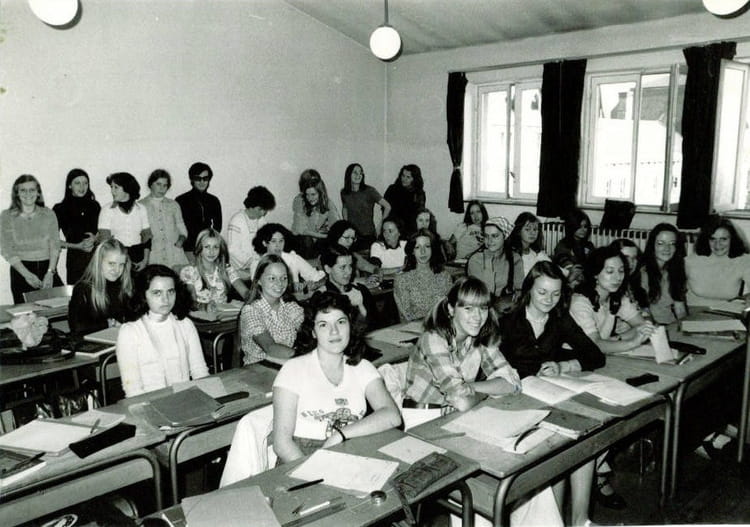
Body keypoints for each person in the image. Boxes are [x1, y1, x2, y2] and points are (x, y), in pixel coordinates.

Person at [500, 261, 603, 526]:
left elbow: (595, 355)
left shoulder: (559, 319)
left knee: (583, 435)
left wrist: (563, 366)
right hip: (514, 401)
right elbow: (490, 368)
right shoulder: (508, 321)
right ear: (528, 290)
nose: (549, 299)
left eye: (556, 294)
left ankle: (581, 520)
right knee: (559, 444)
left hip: (549, 395)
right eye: (542, 292)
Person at [272, 291, 401, 463]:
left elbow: (392, 415)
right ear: (313, 332)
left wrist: (340, 435)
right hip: (300, 458)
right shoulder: (293, 370)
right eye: (323, 325)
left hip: (348, 447)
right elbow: (282, 444)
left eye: (341, 322)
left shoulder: (362, 367)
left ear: (350, 325)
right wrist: (313, 471)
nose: (334, 331)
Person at [403, 276, 521, 411]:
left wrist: (471, 387)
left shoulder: (480, 337)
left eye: (483, 308)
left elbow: (513, 382)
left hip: (454, 413)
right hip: (423, 415)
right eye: (468, 308)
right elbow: (460, 401)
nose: (477, 316)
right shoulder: (433, 339)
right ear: (451, 309)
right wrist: (486, 391)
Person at [116, 264, 209, 398]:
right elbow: (133, 390)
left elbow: (200, 372)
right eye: (157, 293)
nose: (165, 299)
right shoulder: (130, 332)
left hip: (185, 400)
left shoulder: (185, 324)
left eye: (170, 291)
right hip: (148, 403)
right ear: (143, 295)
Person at [1, 175, 63, 303]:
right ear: (17, 193)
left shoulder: (48, 214)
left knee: (58, 308)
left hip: (48, 269)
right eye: (23, 190)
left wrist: (50, 273)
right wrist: (27, 275)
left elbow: (55, 245)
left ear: (38, 193)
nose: (28, 194)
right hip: (21, 271)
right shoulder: (7, 216)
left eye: (32, 190)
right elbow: (7, 249)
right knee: (26, 313)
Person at [239, 254, 304, 365]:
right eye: (272, 278)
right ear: (259, 280)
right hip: (257, 370)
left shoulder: (290, 307)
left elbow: (309, 331)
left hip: (285, 365)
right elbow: (270, 347)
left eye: (284, 278)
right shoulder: (251, 310)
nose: (279, 283)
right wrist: (304, 358)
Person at [69, 238, 133, 336]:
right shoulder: (83, 288)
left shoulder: (123, 286)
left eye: (121, 265)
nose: (116, 270)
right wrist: (109, 324)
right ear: (99, 262)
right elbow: (77, 327)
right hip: (91, 342)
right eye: (111, 264)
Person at [686, 215, 750, 306]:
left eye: (723, 239)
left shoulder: (744, 261)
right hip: (694, 310)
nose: (718, 244)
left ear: (733, 239)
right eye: (713, 239)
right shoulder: (690, 262)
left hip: (727, 312)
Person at [53, 168, 101, 284]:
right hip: (75, 260)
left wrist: (95, 238)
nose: (82, 187)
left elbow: (104, 231)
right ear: (69, 185)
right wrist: (77, 246)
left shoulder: (95, 206)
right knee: (77, 292)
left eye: (85, 183)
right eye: (77, 183)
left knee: (98, 292)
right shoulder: (60, 208)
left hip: (96, 257)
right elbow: (53, 240)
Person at [250, 223, 326, 297]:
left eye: (281, 241)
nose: (278, 245)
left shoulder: (292, 258)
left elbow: (320, 278)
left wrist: (314, 285)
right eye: (273, 241)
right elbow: (261, 293)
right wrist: (292, 288)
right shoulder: (257, 264)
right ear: (264, 243)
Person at [179, 228, 250, 307]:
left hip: (224, 312)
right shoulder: (189, 271)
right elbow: (191, 301)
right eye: (207, 247)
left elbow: (244, 292)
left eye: (215, 247)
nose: (211, 251)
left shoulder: (226, 269)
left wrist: (252, 298)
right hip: (200, 312)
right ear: (199, 248)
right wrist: (205, 307)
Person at [394, 229, 452, 322]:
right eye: (417, 247)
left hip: (443, 325)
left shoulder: (444, 276)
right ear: (412, 251)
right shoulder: (402, 280)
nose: (423, 251)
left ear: (432, 249)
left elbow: (450, 309)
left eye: (427, 246)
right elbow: (407, 317)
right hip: (416, 328)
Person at [98, 172, 151, 272]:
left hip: (138, 259)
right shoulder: (106, 210)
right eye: (111, 187)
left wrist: (145, 261)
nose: (112, 191)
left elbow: (147, 238)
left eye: (116, 187)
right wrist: (124, 261)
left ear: (127, 188)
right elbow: (105, 241)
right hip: (117, 258)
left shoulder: (141, 209)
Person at [466, 216, 521, 311]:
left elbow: (519, 287)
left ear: (505, 236)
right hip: (481, 306)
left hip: (506, 306)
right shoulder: (476, 260)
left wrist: (518, 292)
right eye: (486, 236)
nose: (489, 241)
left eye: (494, 236)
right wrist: (488, 261)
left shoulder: (514, 258)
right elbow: (483, 293)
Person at [320, 244, 376, 333]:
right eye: (342, 267)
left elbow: (376, 324)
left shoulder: (361, 290)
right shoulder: (322, 297)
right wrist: (360, 308)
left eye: (350, 266)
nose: (349, 271)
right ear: (328, 269)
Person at [140, 169, 188, 270]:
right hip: (153, 255)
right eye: (158, 184)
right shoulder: (141, 206)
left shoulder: (174, 205)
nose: (162, 188)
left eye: (165, 185)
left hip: (174, 254)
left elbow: (182, 229)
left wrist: (180, 241)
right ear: (151, 184)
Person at [639, 223, 688, 324]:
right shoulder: (642, 273)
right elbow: (642, 312)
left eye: (672, 243)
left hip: (670, 324)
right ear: (652, 245)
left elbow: (680, 309)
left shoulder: (674, 270)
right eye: (661, 243)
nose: (667, 248)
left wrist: (685, 327)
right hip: (649, 326)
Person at [227, 186, 276, 282]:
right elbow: (233, 250)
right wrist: (253, 262)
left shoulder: (261, 220)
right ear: (251, 206)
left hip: (257, 265)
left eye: (265, 210)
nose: (263, 213)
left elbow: (267, 242)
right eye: (260, 209)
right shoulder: (237, 220)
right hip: (240, 270)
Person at [176, 162, 222, 260]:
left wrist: (210, 244)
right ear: (192, 179)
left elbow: (217, 226)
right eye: (198, 178)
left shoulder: (213, 200)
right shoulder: (181, 200)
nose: (202, 182)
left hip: (207, 249)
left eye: (205, 178)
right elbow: (177, 227)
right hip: (187, 250)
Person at [340, 163, 391, 251]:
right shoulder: (344, 192)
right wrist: (346, 224)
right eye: (355, 172)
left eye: (360, 173)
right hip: (352, 237)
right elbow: (345, 208)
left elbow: (387, 206)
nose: (358, 175)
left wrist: (381, 226)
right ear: (348, 175)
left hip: (368, 235)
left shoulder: (369, 191)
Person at [291, 169, 339, 259]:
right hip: (301, 239)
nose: (309, 198)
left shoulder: (328, 202)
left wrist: (332, 234)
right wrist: (325, 236)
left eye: (313, 194)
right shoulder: (299, 200)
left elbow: (336, 225)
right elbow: (302, 230)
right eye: (307, 195)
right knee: (307, 240)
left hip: (317, 239)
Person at [384, 164, 426, 238]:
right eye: (403, 176)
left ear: (414, 179)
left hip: (410, 231)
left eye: (408, 177)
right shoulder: (392, 189)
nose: (404, 179)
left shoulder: (419, 194)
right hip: (392, 228)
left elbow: (419, 215)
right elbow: (385, 210)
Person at [506, 212, 551, 281]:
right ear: (518, 231)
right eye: (527, 229)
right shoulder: (511, 254)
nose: (532, 233)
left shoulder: (537, 253)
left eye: (535, 229)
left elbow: (554, 268)